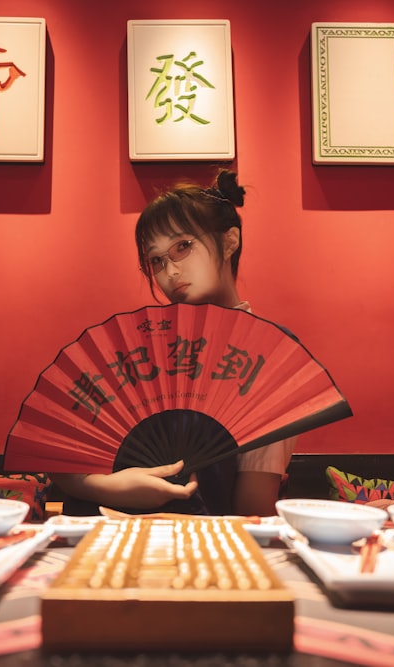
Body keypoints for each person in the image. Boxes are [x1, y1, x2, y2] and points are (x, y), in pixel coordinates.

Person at [51, 170, 296, 517]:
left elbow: (252, 509)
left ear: (229, 241)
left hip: (209, 552)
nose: (170, 272)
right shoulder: (140, 347)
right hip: (109, 540)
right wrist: (108, 486)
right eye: (156, 260)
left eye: (183, 246)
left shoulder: (270, 354)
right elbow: (57, 456)